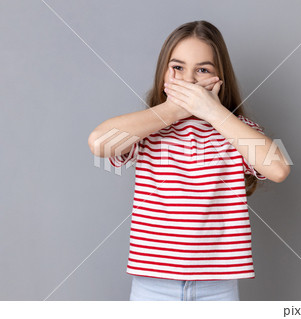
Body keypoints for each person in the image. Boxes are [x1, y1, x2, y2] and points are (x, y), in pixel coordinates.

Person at [88, 20, 290, 301]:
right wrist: (172, 110)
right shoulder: (148, 127)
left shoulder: (234, 128)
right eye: (178, 68)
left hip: (217, 289)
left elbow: (278, 169)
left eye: (203, 70)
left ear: (220, 78)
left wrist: (212, 111)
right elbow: (99, 142)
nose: (189, 81)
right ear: (164, 74)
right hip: (152, 286)